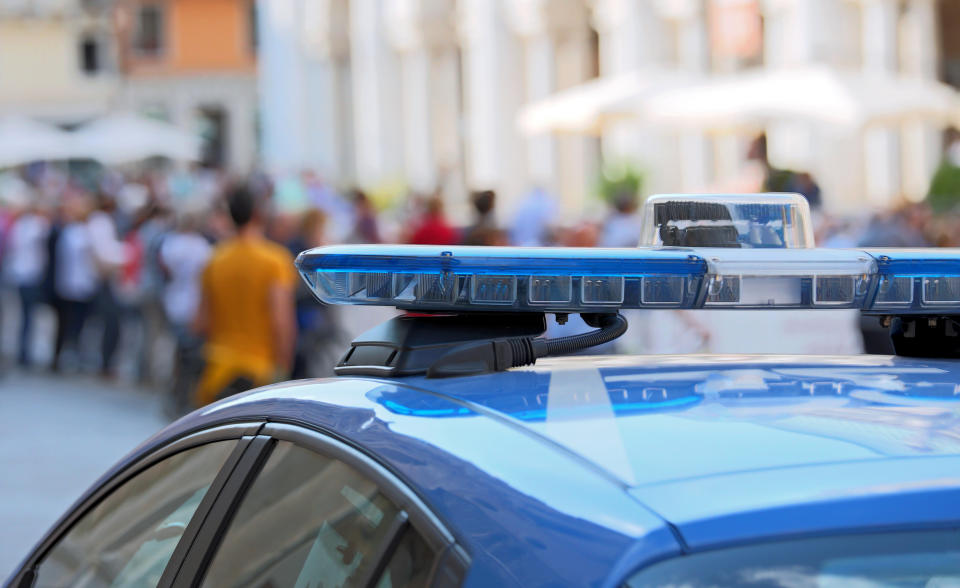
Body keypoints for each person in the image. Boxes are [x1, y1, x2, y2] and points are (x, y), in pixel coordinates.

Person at [193, 186, 296, 406]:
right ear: (259, 215)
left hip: (216, 374)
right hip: (257, 377)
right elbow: (281, 322)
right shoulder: (275, 260)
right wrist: (284, 367)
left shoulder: (214, 259)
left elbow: (200, 323)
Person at [160, 212, 212, 413]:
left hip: (176, 301)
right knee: (189, 353)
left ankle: (176, 392)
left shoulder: (171, 243)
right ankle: (182, 393)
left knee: (179, 351)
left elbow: (166, 269)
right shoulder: (201, 246)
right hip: (192, 303)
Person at [53, 195, 97, 372]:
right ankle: (67, 356)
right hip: (74, 285)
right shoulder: (76, 232)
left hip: (77, 285)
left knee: (76, 324)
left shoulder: (75, 232)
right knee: (71, 324)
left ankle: (70, 355)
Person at [5, 202, 50, 366]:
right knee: (26, 316)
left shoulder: (25, 225)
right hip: (25, 275)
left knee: (24, 316)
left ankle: (21, 351)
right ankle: (22, 352)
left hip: (22, 275)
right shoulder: (35, 226)